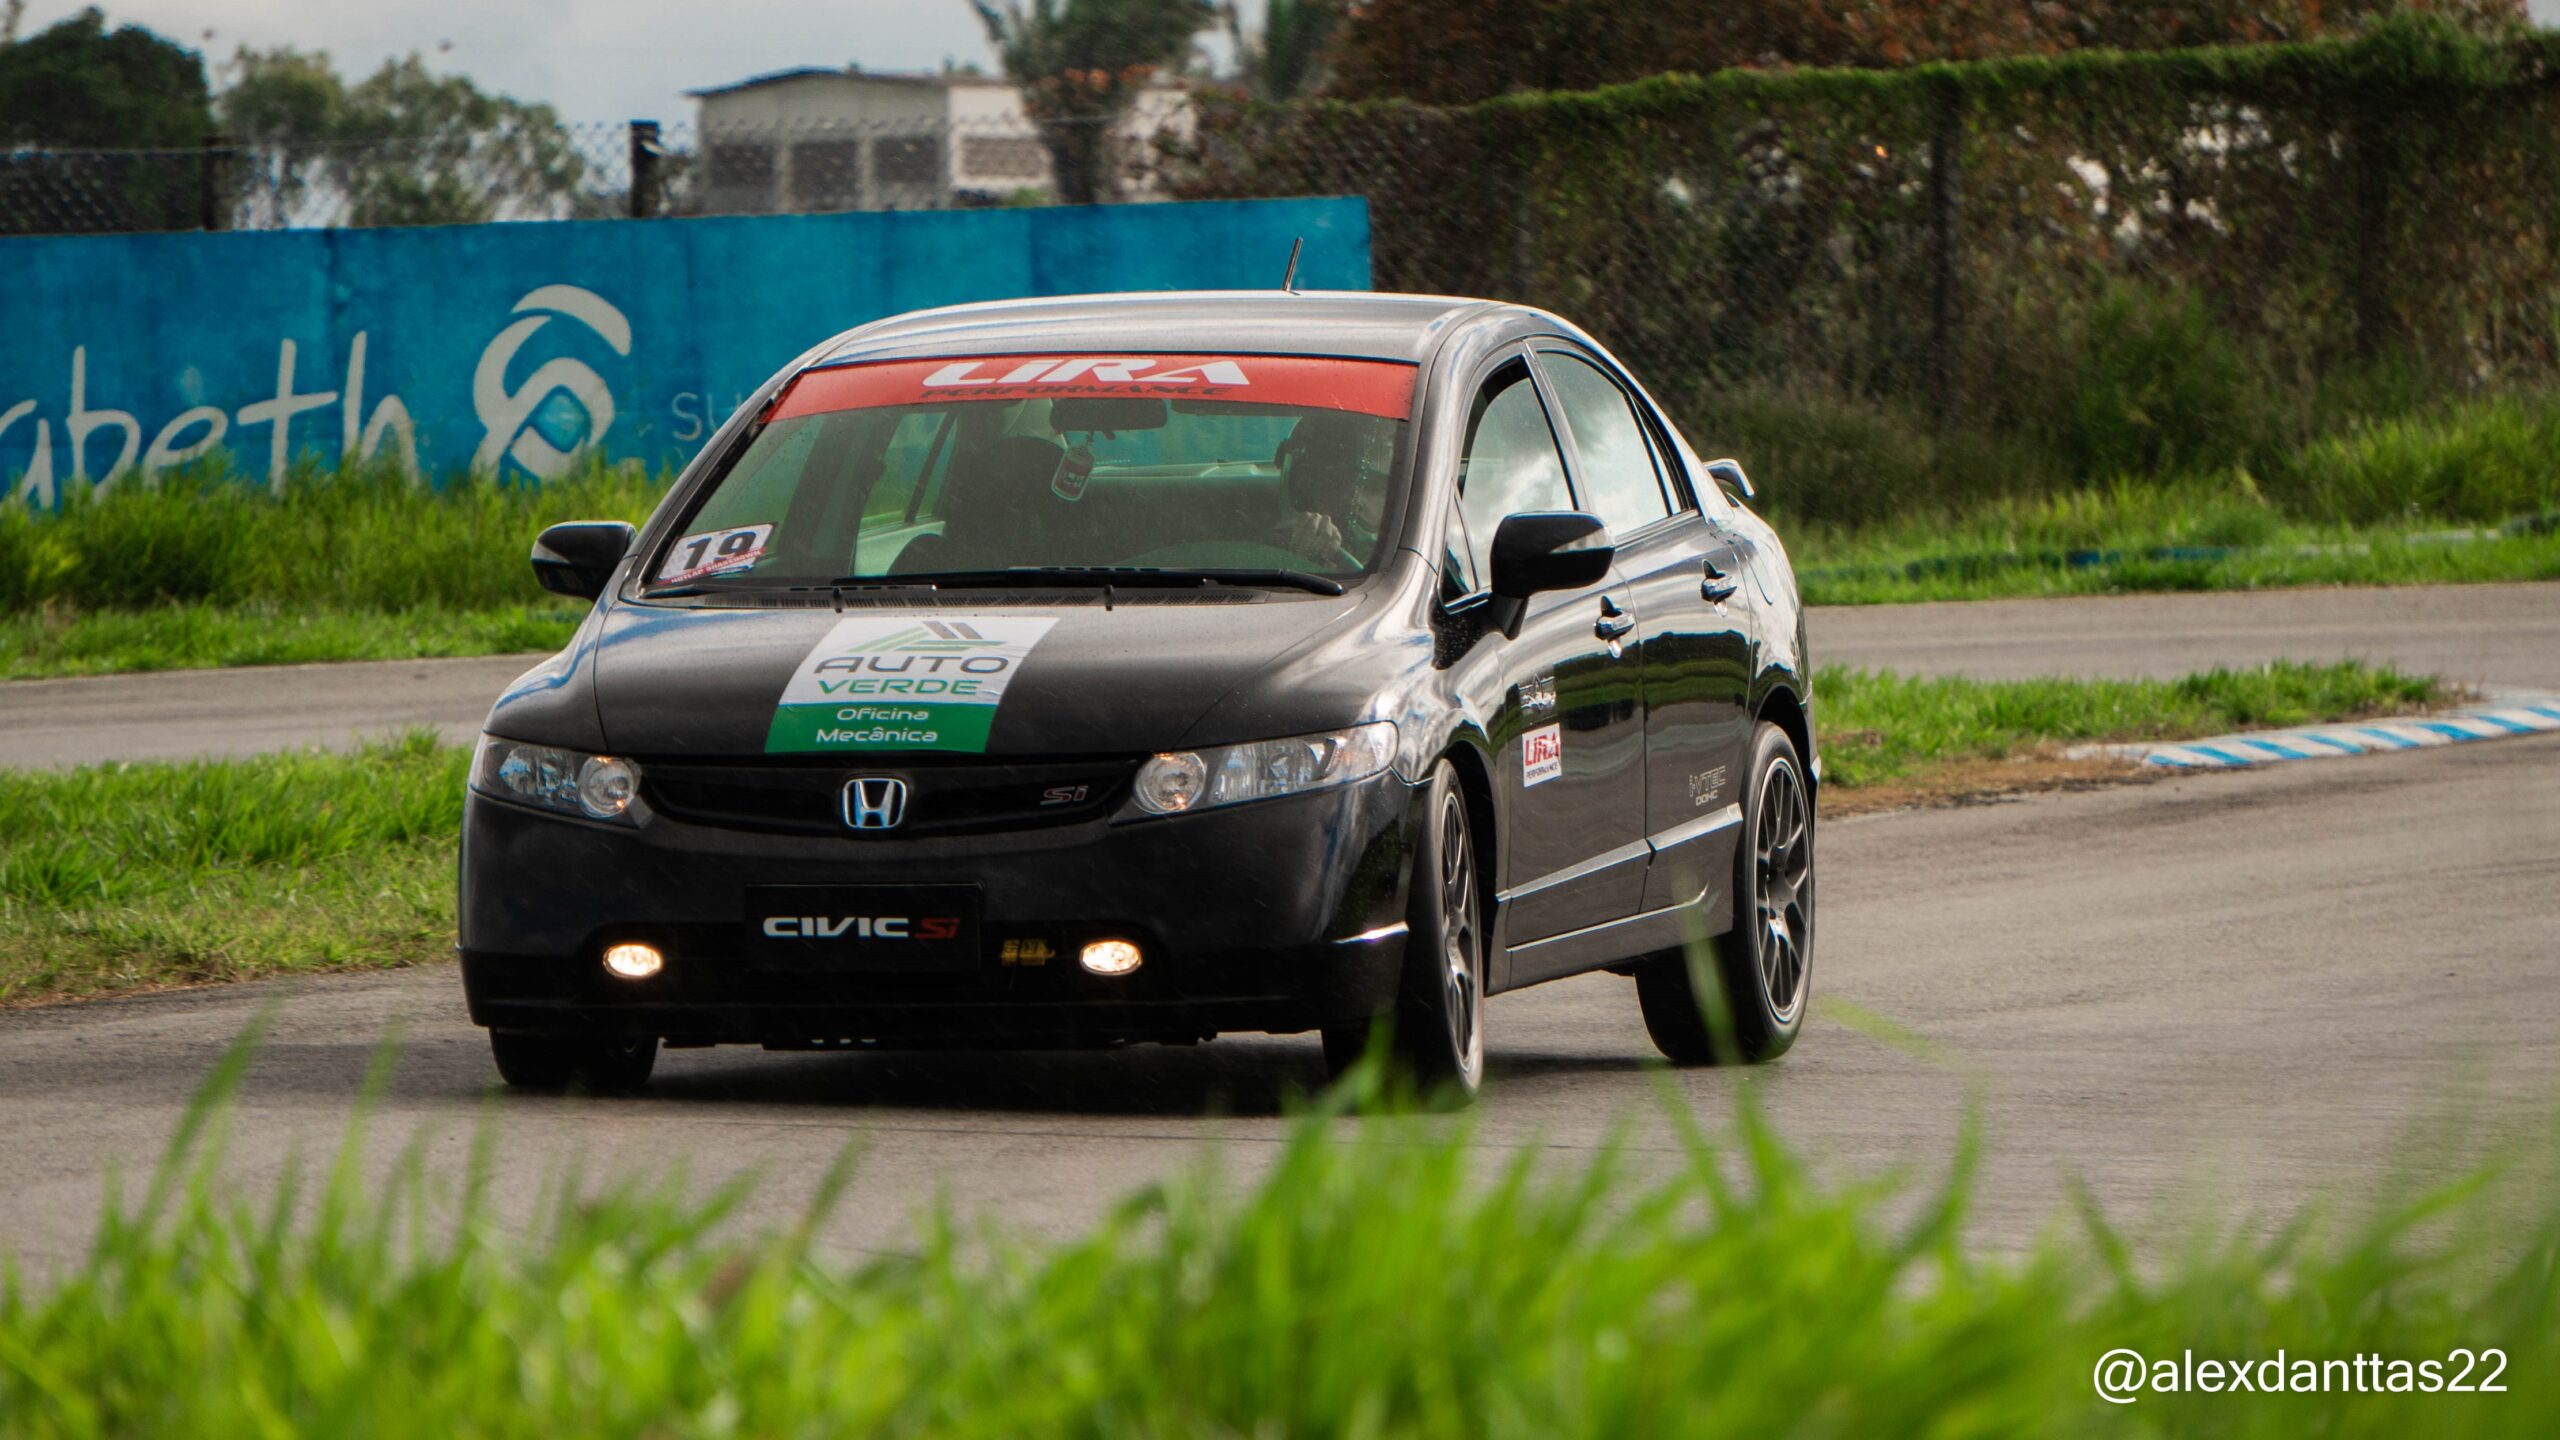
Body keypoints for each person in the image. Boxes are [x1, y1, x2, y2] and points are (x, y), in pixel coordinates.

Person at [1271, 412, 1391, 566]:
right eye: (1337, 483)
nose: (1355, 499)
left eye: (1373, 487)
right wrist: (1298, 559)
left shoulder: (1413, 553)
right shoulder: (1275, 548)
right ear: (1305, 488)